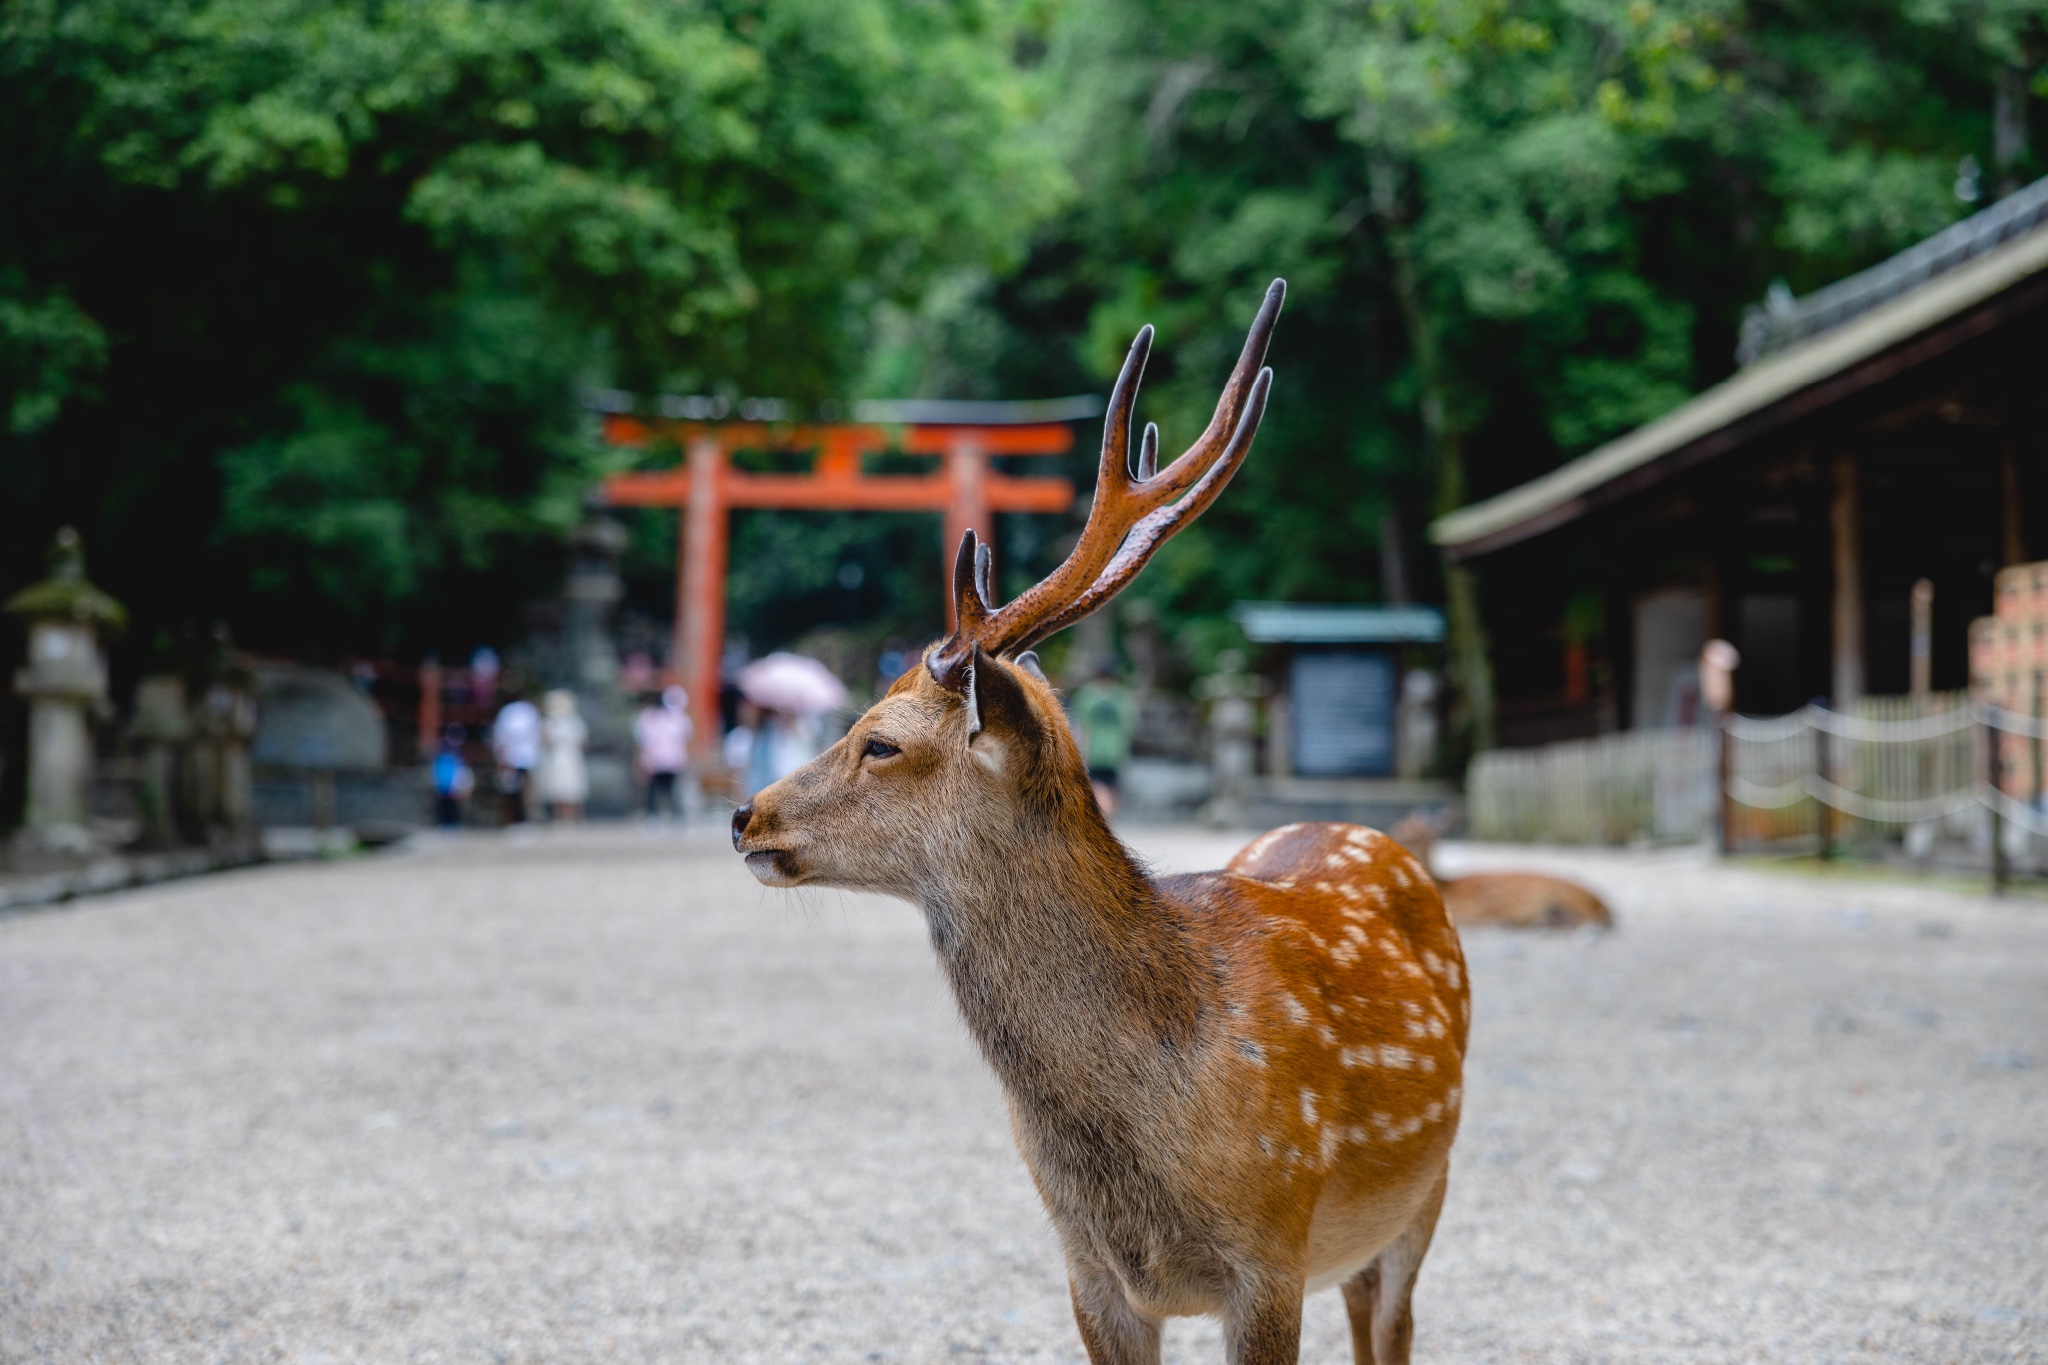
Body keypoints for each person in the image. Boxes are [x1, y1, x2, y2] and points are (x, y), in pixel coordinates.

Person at [1071, 665, 1138, 819]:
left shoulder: (1086, 695)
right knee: (1112, 787)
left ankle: (1106, 820)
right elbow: (1129, 725)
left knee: (1098, 787)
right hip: (1115, 750)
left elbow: (1080, 725)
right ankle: (1110, 819)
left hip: (1093, 750)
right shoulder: (1123, 696)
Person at [635, 685, 693, 822]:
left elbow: (684, 738)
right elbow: (643, 740)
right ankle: (652, 817)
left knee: (674, 791)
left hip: (673, 760)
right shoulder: (647, 717)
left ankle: (678, 817)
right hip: (654, 761)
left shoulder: (678, 717)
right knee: (653, 792)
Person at [538, 688, 589, 822]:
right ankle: (563, 818)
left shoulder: (571, 721)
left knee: (570, 789)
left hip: (567, 758)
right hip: (559, 758)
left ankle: (569, 818)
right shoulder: (556, 721)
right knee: (559, 789)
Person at [491, 692, 541, 824]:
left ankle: (521, 820)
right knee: (516, 791)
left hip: (517, 756)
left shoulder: (509, 712)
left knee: (517, 791)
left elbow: (502, 737)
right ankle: (519, 820)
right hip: (519, 756)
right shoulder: (526, 711)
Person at [431, 724, 474, 828]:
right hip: (443, 782)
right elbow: (438, 767)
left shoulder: (459, 753)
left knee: (453, 806)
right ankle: (444, 823)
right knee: (444, 805)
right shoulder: (441, 750)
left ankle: (453, 823)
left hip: (453, 783)